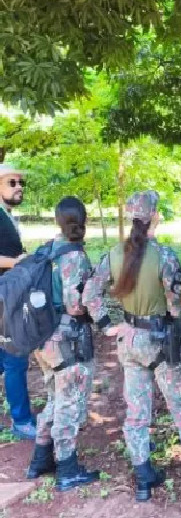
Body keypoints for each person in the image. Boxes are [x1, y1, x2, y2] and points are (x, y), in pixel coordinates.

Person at [83, 191, 181, 502]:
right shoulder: (163, 256)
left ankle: (143, 477)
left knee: (137, 410)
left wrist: (108, 325)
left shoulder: (113, 254)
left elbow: (90, 295)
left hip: (130, 341)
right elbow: (177, 306)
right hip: (162, 341)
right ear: (155, 216)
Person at [26, 197, 103, 491]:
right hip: (67, 341)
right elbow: (75, 305)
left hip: (42, 339)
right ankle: (68, 469)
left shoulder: (48, 249)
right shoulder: (74, 256)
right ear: (83, 219)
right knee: (69, 405)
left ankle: (40, 460)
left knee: (55, 399)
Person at [0, 164, 36, 440]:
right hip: (4, 297)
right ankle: (22, 421)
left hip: (9, 293)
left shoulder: (7, 216)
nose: (19, 186)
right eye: (12, 182)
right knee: (15, 358)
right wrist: (17, 263)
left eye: (21, 182)